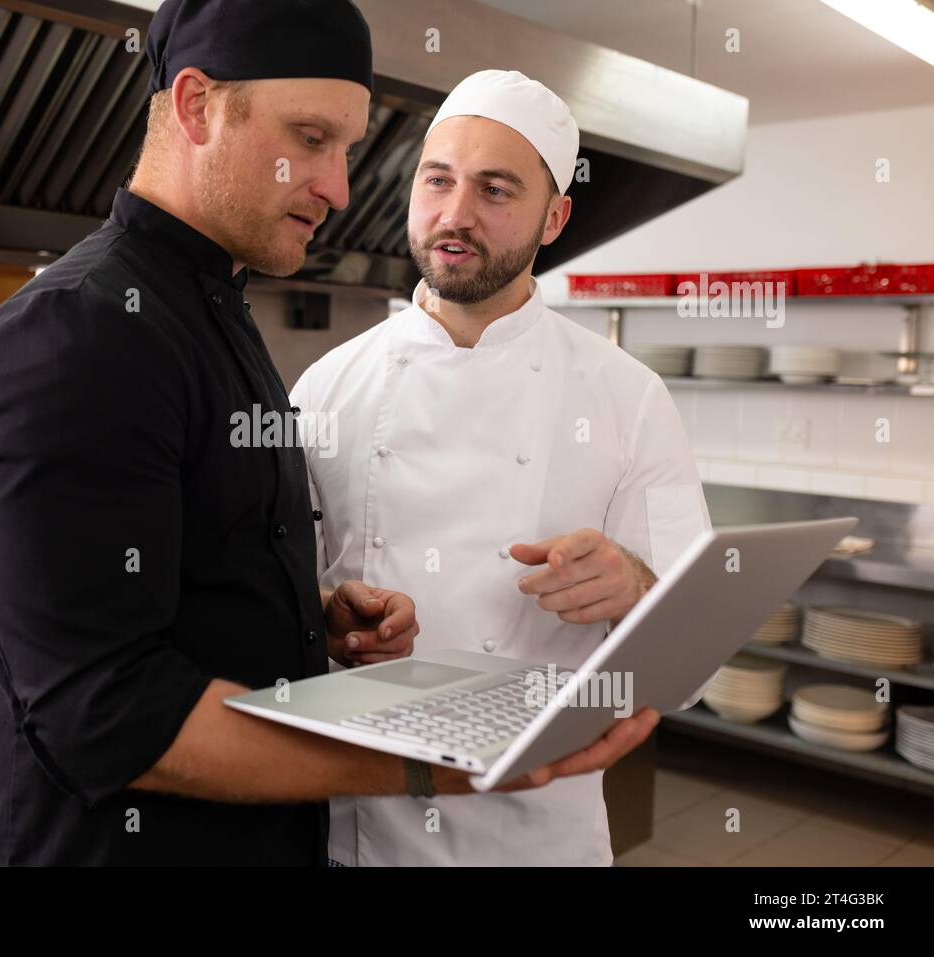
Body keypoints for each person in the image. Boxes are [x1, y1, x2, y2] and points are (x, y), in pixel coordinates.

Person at [0, 4, 660, 866]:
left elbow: (186, 580)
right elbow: (101, 712)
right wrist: (440, 762)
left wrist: (308, 622)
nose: (340, 188)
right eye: (312, 138)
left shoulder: (215, 312)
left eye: (348, 150)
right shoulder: (78, 336)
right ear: (197, 106)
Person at [291, 70, 710, 866]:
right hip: (357, 830)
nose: (455, 215)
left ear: (554, 218)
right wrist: (330, 623)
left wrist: (639, 587)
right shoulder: (325, 386)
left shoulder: (627, 397)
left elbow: (690, 665)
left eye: (495, 190)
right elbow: (275, 608)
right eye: (438, 180)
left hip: (537, 833)